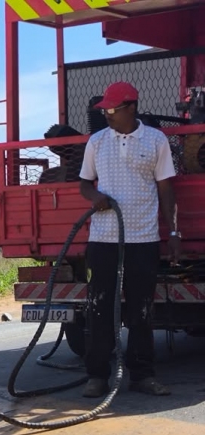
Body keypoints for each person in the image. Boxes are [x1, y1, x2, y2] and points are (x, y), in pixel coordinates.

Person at [78, 82, 179, 398]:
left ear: (131, 107)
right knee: (99, 307)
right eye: (104, 110)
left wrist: (173, 232)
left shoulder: (156, 140)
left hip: (143, 238)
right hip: (103, 239)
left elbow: (166, 189)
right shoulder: (97, 142)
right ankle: (97, 376)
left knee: (142, 310)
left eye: (112, 109)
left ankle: (142, 375)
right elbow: (84, 183)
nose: (107, 114)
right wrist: (95, 196)